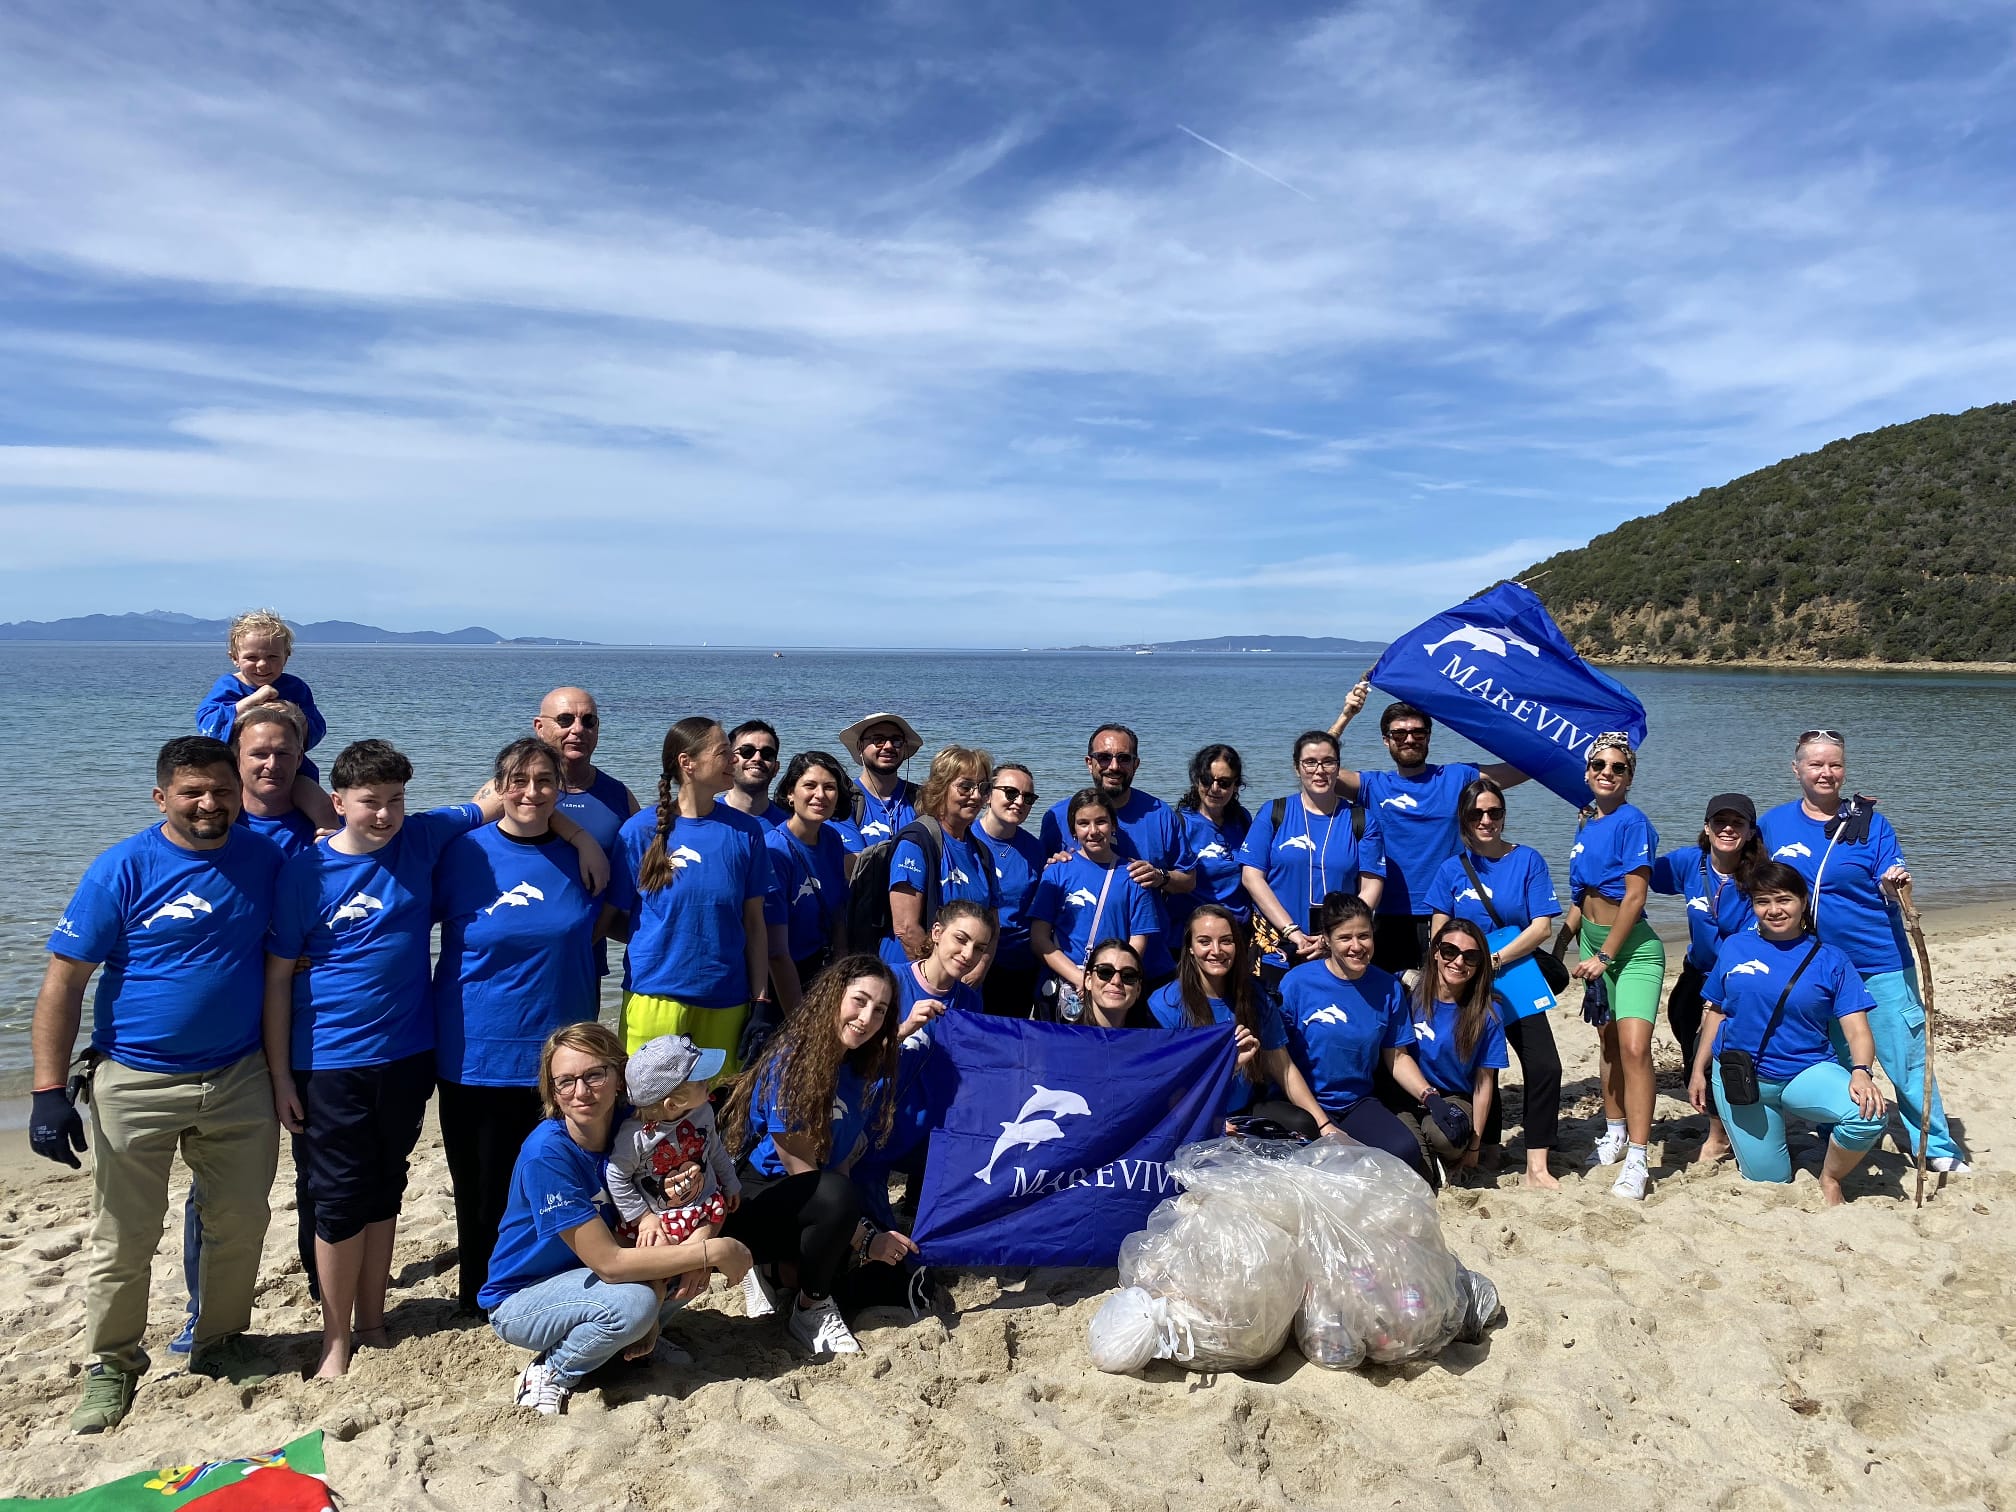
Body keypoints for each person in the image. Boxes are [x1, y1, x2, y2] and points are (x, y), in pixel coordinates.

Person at [266, 740, 602, 1379]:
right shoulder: (312, 871)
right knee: (344, 1194)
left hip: (411, 1051)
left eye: (396, 800)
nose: (386, 813)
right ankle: (341, 1333)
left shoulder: (424, 838)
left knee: (388, 1183)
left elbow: (507, 800)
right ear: (339, 804)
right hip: (348, 1056)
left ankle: (372, 1317)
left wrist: (579, 834)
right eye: (371, 802)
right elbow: (278, 973)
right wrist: (279, 1070)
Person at [30, 736, 286, 1432]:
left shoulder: (265, 859)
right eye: (192, 792)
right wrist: (48, 1093)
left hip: (238, 1076)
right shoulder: (122, 868)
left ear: (239, 791)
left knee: (238, 1220)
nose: (209, 803)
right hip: (135, 1079)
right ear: (161, 797)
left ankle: (221, 1342)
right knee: (126, 1233)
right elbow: (63, 982)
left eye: (221, 790)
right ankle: (111, 1362)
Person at [482, 1022, 751, 1416]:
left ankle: (634, 1339)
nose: (581, 1091)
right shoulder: (548, 1154)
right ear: (552, 1091)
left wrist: (702, 1241)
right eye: (565, 1082)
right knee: (635, 1302)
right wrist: (714, 1250)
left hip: (595, 1277)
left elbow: (704, 1186)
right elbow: (609, 1264)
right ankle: (552, 1370)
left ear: (619, 1075)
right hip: (525, 1296)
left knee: (682, 1250)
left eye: (594, 1074)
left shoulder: (641, 1124)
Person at [433, 737, 604, 1313]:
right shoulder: (461, 853)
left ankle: (552, 1291)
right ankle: (480, 1300)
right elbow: (393, 913)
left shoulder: (585, 855)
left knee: (562, 1183)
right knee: (481, 1191)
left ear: (561, 788)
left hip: (563, 1061)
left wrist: (583, 838)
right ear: (499, 786)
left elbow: (635, 916)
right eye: (519, 780)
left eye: (545, 781)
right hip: (475, 1051)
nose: (531, 792)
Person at [172, 700, 321, 1356]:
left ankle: (324, 1285)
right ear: (235, 760)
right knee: (219, 1186)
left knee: (316, 1169)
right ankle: (204, 1314)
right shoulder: (214, 826)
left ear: (300, 760)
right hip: (234, 1034)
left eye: (284, 754)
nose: (271, 764)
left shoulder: (321, 822)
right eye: (257, 753)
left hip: (313, 1025)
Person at [1758, 730, 1968, 1174]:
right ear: (1796, 770)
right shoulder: (1774, 824)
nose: (1825, 773)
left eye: (1834, 764)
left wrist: (1895, 885)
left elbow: (1890, 879)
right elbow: (1758, 887)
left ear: (1844, 770)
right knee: (1832, 1060)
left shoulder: (1872, 824)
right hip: (1814, 967)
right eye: (1815, 764)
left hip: (1878, 962)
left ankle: (1934, 1145)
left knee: (1904, 1061)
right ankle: (1838, 1133)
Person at [720, 957, 919, 1357]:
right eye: (859, 1001)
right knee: (838, 1204)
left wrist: (859, 1240)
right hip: (755, 1199)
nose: (866, 1018)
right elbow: (803, 1175)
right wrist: (865, 1240)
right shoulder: (792, 1062)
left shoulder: (865, 1071)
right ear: (833, 998)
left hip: (817, 1197)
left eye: (879, 1010)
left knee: (893, 1280)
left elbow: (840, 1161)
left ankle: (777, 1274)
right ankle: (810, 1307)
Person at [1686, 864, 1889, 1204]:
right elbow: (1717, 1011)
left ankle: (1830, 1178)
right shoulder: (1735, 946)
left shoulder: (1831, 959)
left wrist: (1861, 1072)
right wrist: (1697, 1070)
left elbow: (1857, 1030)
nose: (1774, 910)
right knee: (1772, 1181)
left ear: (1803, 902)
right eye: (1763, 901)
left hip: (1805, 1070)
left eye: (1784, 899)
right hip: (1741, 1076)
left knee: (1868, 1115)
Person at [607, 717, 774, 1068]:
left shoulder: (746, 832)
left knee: (714, 1113)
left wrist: (760, 1002)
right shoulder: (638, 831)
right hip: (654, 996)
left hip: (726, 999)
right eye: (723, 753)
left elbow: (755, 925)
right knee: (648, 1111)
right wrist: (664, 938)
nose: (734, 761)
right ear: (688, 763)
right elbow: (611, 917)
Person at [1424, 777, 1565, 1187]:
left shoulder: (1528, 860)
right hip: (1464, 981)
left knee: (1544, 1066)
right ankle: (1486, 1147)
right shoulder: (1451, 868)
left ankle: (1537, 1164)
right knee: (1481, 1067)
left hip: (1514, 974)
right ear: (1464, 819)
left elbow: (1540, 928)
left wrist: (1495, 959)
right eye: (1477, 813)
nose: (1487, 820)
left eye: (1495, 812)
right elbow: (1439, 933)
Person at [1329, 686, 1527, 973]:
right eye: (1399, 734)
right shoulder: (1372, 785)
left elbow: (1523, 769)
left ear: (1428, 737)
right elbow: (1315, 768)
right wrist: (1346, 715)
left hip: (1447, 911)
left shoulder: (1458, 777)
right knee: (1395, 1002)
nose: (1409, 739)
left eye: (1418, 732)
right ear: (1386, 741)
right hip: (1387, 914)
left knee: (1448, 1003)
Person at [1277, 893, 1458, 1185]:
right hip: (1303, 1103)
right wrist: (1323, 1124)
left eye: (1364, 936)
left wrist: (1431, 1096)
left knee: (1403, 1151)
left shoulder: (1387, 987)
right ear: (1326, 939)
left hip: (1355, 1102)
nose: (1356, 946)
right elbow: (1279, 1060)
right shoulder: (1297, 983)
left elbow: (1397, 1057)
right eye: (1345, 937)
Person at [1557, 732, 1665, 1202]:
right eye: (1599, 765)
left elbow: (1635, 895)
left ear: (1630, 776)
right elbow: (1583, 898)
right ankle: (1615, 1132)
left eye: (1617, 767)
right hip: (1593, 948)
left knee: (1635, 1048)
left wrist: (1604, 957)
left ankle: (1639, 1157)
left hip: (1632, 951)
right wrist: (1562, 943)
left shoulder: (1633, 822)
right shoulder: (1586, 824)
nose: (1607, 772)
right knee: (1607, 1045)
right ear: (1587, 772)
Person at [606, 1038, 742, 1350]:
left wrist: (730, 1181)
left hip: (702, 1206)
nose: (710, 1083)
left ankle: (659, 1325)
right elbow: (616, 1176)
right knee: (657, 1279)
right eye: (701, 1080)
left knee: (693, 1279)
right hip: (660, 1219)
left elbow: (715, 1149)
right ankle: (649, 1322)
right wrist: (644, 1218)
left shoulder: (703, 1110)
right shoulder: (635, 1137)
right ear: (672, 1103)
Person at [1650, 793, 1763, 1168]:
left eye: (1737, 823)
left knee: (1710, 1045)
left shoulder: (1760, 875)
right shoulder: (1690, 863)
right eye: (1720, 822)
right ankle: (1712, 1108)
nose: (1728, 829)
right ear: (1707, 827)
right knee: (1683, 1028)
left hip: (1737, 980)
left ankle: (1719, 1137)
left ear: (1749, 832)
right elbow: (1638, 869)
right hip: (1694, 972)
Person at [1146, 905, 1328, 1131]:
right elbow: (1168, 1087)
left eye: (1226, 941)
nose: (1216, 950)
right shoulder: (1165, 1004)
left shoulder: (1255, 997)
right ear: (1190, 947)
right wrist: (1228, 1069)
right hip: (1190, 1113)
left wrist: (1325, 1124)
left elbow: (1283, 1067)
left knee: (1303, 1124)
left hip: (1244, 1111)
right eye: (1204, 941)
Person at [1037, 724, 1194, 985]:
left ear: (1136, 764)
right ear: (1089, 762)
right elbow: (1043, 883)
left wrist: (1160, 877)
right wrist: (1052, 865)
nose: (1113, 766)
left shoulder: (1160, 814)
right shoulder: (1058, 815)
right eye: (1104, 757)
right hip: (1076, 966)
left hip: (1148, 965)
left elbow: (1189, 880)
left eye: (1123, 758)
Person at [1239, 731, 1386, 972]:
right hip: (1277, 947)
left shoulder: (1361, 820)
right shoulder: (1274, 812)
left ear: (1338, 768)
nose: (1319, 770)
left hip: (1340, 950)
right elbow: (1251, 877)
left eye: (1328, 762)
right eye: (1310, 762)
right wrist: (1292, 931)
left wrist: (1335, 935)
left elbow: (1371, 887)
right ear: (1297, 768)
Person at [532, 685, 638, 980]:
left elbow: (637, 883)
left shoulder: (619, 797)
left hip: (583, 961)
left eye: (588, 721)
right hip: (518, 958)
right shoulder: (510, 793)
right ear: (540, 727)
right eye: (565, 720)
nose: (578, 729)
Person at [193, 608, 336, 827]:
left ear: (286, 657)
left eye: (272, 657)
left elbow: (317, 730)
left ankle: (329, 837)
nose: (262, 665)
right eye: (252, 657)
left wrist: (296, 716)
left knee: (320, 804)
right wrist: (251, 702)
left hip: (291, 769)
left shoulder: (295, 688)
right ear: (234, 658)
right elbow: (207, 725)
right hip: (235, 769)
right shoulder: (229, 686)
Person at [1387, 921, 1507, 1178]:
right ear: (1435, 952)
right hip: (1405, 1093)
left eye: (1471, 956)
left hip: (1452, 1097)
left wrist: (1475, 1146)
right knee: (1406, 1152)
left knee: (1446, 1138)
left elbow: (1484, 1084)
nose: (1459, 962)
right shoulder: (1406, 989)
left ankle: (1437, 1152)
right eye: (1450, 951)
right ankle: (1426, 1159)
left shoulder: (1488, 1012)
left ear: (1481, 964)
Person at [1029, 789, 1160, 1021]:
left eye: (1101, 822)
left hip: (1112, 985)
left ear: (1113, 826)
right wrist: (1082, 980)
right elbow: (1040, 939)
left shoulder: (1133, 877)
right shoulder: (1057, 873)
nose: (1093, 831)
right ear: (1073, 830)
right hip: (1065, 984)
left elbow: (1138, 942)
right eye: (1083, 823)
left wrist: (1107, 980)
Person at [889, 745, 999, 966]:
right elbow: (906, 928)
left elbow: (992, 924)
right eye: (965, 787)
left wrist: (980, 968)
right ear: (940, 788)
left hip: (965, 979)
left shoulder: (982, 851)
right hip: (916, 976)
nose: (976, 796)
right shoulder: (916, 843)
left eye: (983, 787)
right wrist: (942, 979)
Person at [972, 763, 1047, 1017]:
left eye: (1028, 797)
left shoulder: (1034, 850)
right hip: (970, 958)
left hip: (1019, 966)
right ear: (988, 794)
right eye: (1011, 793)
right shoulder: (964, 836)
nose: (1019, 802)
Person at [1171, 744, 1253, 934]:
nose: (1214, 788)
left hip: (1238, 931)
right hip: (1193, 932)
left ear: (1236, 785)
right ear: (1196, 780)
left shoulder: (1243, 819)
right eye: (1207, 780)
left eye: (1224, 783)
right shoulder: (1180, 823)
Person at [833, 711, 923, 856]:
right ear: (860, 747)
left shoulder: (923, 798)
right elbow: (854, 866)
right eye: (878, 739)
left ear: (904, 748)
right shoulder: (843, 800)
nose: (888, 746)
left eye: (896, 740)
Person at [1073, 938, 1157, 1029]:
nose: (1116, 981)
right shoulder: (1064, 1040)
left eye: (1128, 975)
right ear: (1088, 981)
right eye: (1105, 971)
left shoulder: (1155, 1041)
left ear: (1138, 989)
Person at [721, 719, 790, 828]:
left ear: (776, 768)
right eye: (747, 751)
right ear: (729, 761)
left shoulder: (790, 826)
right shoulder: (705, 817)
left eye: (767, 754)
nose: (757, 758)